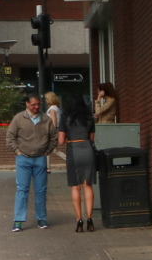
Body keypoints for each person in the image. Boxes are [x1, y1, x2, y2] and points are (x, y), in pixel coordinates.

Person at [5, 94, 58, 232]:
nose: (37, 107)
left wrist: (47, 151)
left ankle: (41, 218)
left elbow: (54, 137)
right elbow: (10, 137)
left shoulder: (46, 119)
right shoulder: (18, 118)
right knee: (22, 190)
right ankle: (18, 221)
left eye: (38, 104)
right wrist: (17, 151)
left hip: (40, 158)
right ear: (27, 104)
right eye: (34, 104)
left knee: (41, 190)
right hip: (23, 158)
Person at [58, 93, 97, 232]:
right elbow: (92, 139)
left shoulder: (64, 117)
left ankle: (79, 219)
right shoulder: (89, 117)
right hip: (87, 150)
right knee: (88, 185)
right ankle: (90, 219)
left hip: (73, 150)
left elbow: (61, 140)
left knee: (75, 187)